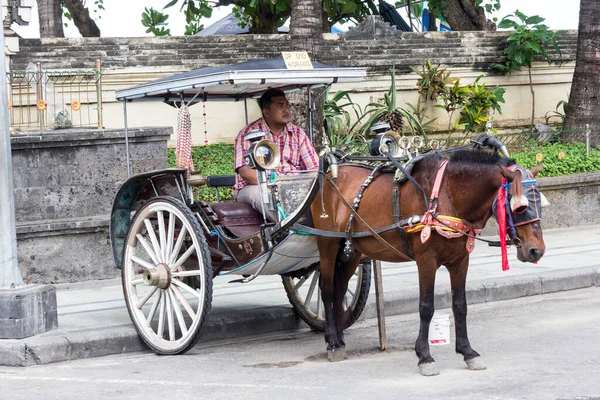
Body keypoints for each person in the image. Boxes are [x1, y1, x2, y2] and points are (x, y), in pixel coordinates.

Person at [233, 88, 319, 221]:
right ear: (266, 111)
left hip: (292, 185)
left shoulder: (297, 133)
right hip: (256, 185)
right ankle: (290, 228)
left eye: (286, 105)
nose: (286, 110)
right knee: (266, 197)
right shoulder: (249, 134)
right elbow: (245, 172)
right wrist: (273, 185)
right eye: (280, 106)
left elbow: (313, 168)